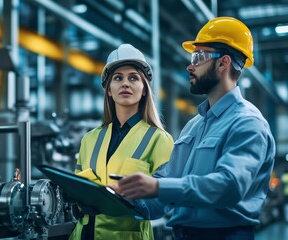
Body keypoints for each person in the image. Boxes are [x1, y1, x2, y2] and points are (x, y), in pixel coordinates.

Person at [112, 17, 276, 240]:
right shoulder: (194, 126)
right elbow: (164, 192)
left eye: (198, 57)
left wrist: (157, 187)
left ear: (223, 63)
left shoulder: (247, 122)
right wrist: (123, 198)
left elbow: (229, 187)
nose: (190, 65)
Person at [69, 44, 174, 239]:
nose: (125, 84)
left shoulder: (160, 140)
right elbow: (77, 193)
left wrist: (129, 201)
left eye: (133, 78)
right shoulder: (89, 139)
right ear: (109, 89)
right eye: (118, 78)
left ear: (144, 90)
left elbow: (163, 204)